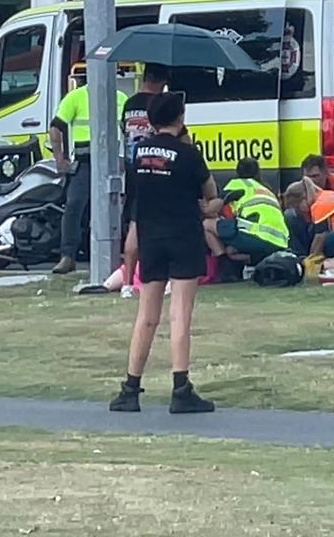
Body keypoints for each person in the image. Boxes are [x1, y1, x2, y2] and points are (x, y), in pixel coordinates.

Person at [109, 92, 217, 415]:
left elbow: (135, 198)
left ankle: (130, 389)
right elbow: (210, 195)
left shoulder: (138, 153)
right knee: (180, 314)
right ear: (181, 118)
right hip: (184, 236)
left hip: (151, 237)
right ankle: (180, 388)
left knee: (146, 316)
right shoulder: (189, 154)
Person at [49, 75, 129, 275]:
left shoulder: (120, 98)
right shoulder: (75, 98)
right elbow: (56, 127)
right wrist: (59, 159)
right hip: (86, 161)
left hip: (111, 161)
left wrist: (124, 158)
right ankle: (68, 256)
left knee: (116, 206)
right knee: (74, 204)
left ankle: (120, 253)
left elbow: (129, 132)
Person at [118, 63, 179, 297]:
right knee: (167, 222)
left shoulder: (129, 104)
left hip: (134, 168)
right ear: (159, 81)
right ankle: (170, 279)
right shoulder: (158, 105)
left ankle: (126, 283)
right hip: (159, 165)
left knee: (135, 223)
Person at [204, 157, 289, 278]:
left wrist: (202, 208)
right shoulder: (266, 189)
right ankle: (248, 262)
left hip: (255, 233)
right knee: (231, 250)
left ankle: (225, 268)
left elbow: (213, 208)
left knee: (206, 224)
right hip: (280, 242)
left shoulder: (238, 184)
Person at [286, 154, 334, 255]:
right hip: (316, 226)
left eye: (315, 176)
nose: (311, 181)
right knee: (290, 216)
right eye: (307, 177)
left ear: (325, 173)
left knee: (327, 239)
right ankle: (300, 256)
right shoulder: (301, 188)